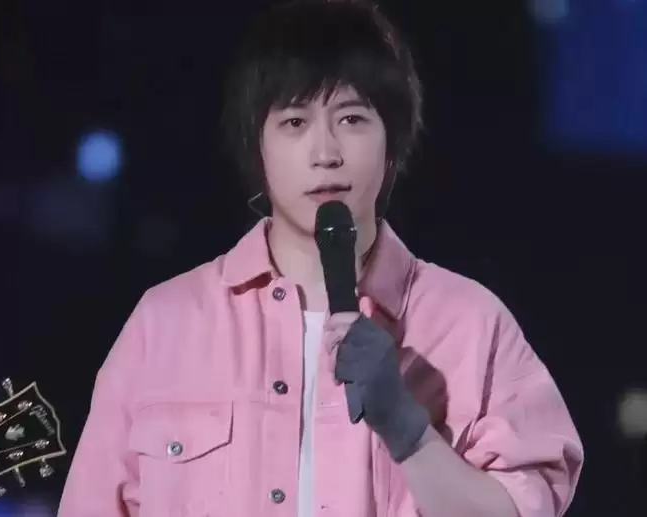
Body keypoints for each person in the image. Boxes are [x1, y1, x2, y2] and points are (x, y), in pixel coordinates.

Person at [57, 1, 584, 516]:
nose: (325, 152)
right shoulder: (166, 324)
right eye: (294, 122)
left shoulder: (470, 325)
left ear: (392, 143)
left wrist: (410, 432)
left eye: (352, 118)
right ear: (257, 147)